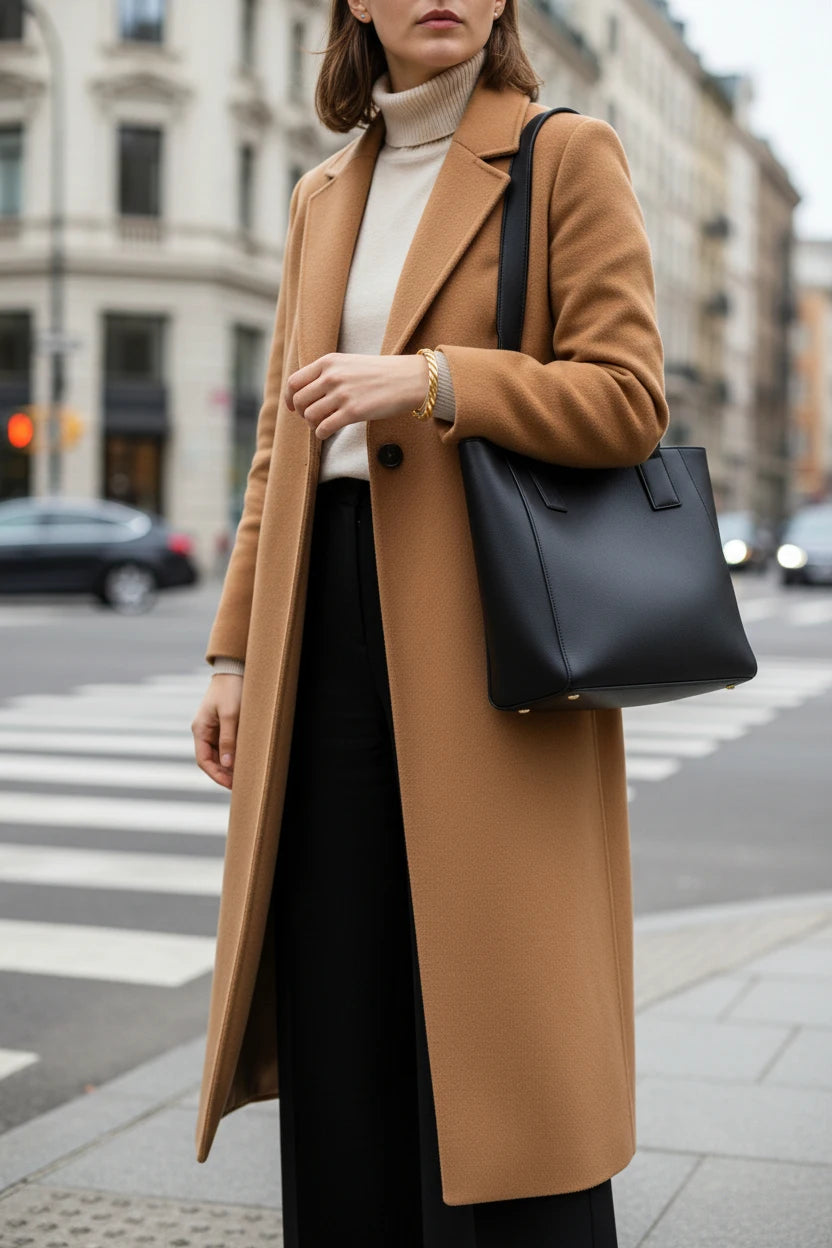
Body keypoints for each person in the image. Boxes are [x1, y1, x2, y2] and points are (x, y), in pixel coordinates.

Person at [191, 2, 669, 1244]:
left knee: (499, 1012)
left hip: (489, 626)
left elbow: (628, 398)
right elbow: (274, 448)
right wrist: (237, 650)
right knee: (341, 985)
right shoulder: (322, 193)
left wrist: (436, 381)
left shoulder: (565, 154)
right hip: (326, 625)